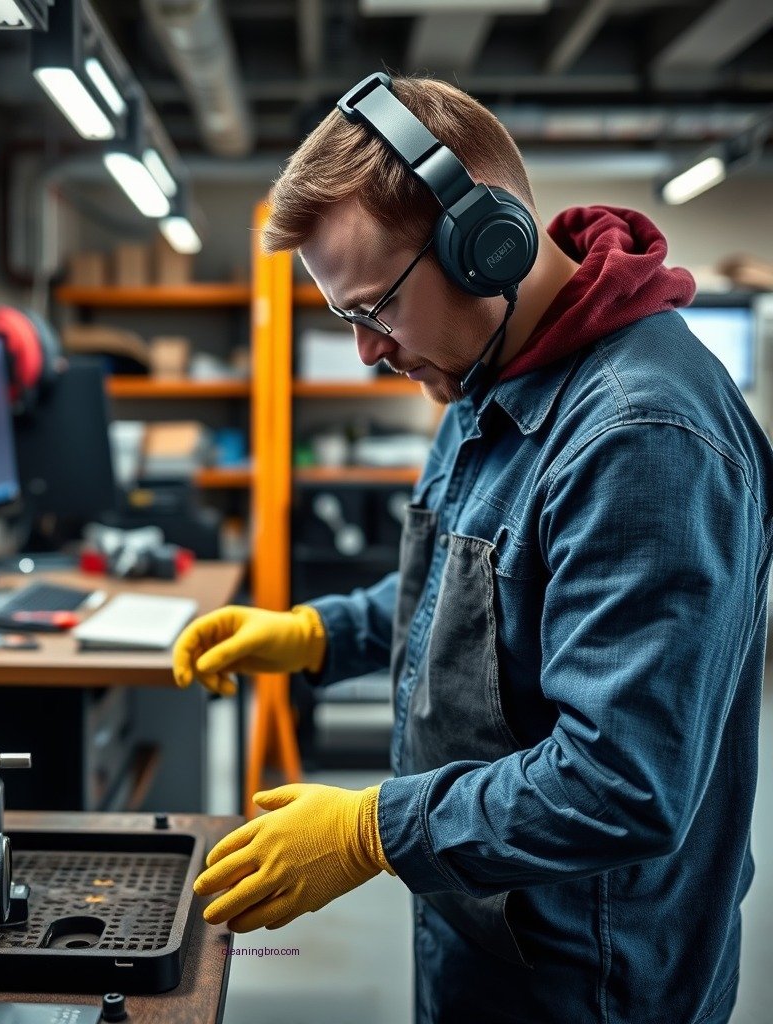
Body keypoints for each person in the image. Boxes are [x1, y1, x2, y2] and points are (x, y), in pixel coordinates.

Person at [172, 73, 773, 1024]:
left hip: (590, 972)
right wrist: (316, 633)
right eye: (348, 319)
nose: (368, 353)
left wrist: (374, 830)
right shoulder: (487, 369)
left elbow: (624, 780)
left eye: (375, 309)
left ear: (483, 247)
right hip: (481, 913)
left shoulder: (644, 437)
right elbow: (467, 597)